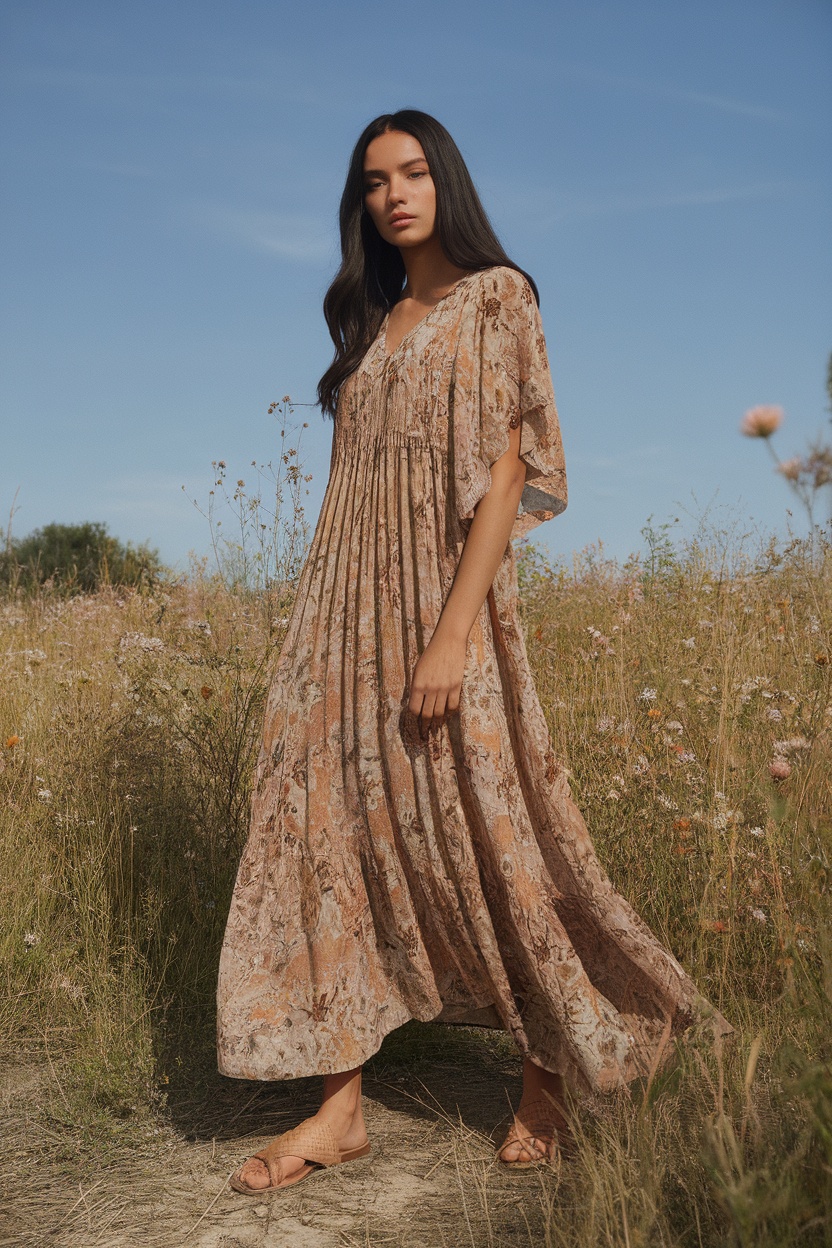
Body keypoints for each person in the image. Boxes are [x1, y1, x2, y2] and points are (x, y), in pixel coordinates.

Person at [216, 109, 732, 1195]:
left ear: (444, 179)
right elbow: (351, 498)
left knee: (491, 833)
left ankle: (547, 1072)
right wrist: (315, 634)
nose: (394, 193)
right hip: (339, 618)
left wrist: (450, 634)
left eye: (411, 172)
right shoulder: (374, 324)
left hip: (440, 605)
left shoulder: (498, 296)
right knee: (322, 831)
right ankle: (339, 1110)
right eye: (372, 181)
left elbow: (503, 476)